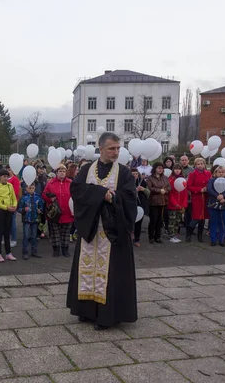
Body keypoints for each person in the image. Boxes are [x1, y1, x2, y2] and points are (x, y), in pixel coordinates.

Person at [68, 132, 137, 330]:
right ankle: (87, 310)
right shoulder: (87, 169)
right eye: (111, 148)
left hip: (113, 232)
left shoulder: (123, 172)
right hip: (91, 229)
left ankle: (108, 316)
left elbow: (130, 197)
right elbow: (77, 189)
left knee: (111, 273)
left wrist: (114, 198)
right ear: (101, 149)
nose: (116, 152)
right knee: (87, 270)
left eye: (118, 148)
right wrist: (100, 193)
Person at [0, 169, 18, 262]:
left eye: (7, 177)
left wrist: (14, 205)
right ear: (0, 177)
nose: (6, 178)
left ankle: (8, 253)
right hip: (1, 211)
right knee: (0, 232)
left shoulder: (10, 185)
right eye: (4, 176)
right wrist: (5, 207)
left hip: (9, 211)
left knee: (7, 232)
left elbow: (14, 197)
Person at [207, 166, 225, 247]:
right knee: (213, 222)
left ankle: (221, 240)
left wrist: (223, 196)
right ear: (215, 173)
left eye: (222, 172)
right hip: (213, 204)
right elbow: (209, 189)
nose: (221, 173)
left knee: (222, 223)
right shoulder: (211, 180)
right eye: (219, 172)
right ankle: (213, 239)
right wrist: (217, 196)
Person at [186, 158, 212, 243]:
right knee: (196, 218)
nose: (200, 165)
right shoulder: (192, 174)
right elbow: (189, 186)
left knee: (203, 218)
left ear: (204, 164)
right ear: (195, 165)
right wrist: (200, 189)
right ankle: (188, 234)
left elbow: (211, 184)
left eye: (201, 163)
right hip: (197, 198)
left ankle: (200, 236)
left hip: (206, 198)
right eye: (198, 164)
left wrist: (208, 189)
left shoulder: (208, 173)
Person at [18, 183, 44, 259]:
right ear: (26, 188)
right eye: (30, 188)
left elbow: (41, 206)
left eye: (33, 188)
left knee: (34, 236)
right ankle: (25, 252)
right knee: (26, 236)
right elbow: (19, 208)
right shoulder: (23, 198)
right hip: (26, 219)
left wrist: (40, 210)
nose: (31, 189)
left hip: (35, 220)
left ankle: (34, 251)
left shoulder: (38, 197)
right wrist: (23, 210)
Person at [146, 162, 170, 244]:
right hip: (154, 202)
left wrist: (165, 190)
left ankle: (158, 236)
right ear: (155, 169)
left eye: (162, 168)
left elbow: (169, 187)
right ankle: (151, 236)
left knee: (160, 221)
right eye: (159, 168)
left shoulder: (165, 178)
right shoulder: (150, 178)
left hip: (163, 202)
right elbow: (150, 188)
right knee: (153, 220)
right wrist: (159, 190)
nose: (160, 170)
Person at [167, 164, 187, 243]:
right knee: (172, 221)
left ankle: (175, 235)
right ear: (173, 170)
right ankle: (171, 236)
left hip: (181, 206)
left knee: (178, 221)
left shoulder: (183, 180)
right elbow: (170, 194)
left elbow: (185, 193)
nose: (177, 170)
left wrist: (184, 205)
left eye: (179, 169)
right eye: (175, 169)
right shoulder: (170, 180)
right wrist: (175, 203)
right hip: (173, 205)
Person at [131, 168, 149, 247]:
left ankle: (137, 239)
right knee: (130, 223)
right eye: (133, 174)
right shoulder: (126, 182)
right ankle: (129, 238)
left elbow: (148, 193)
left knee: (138, 224)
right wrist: (134, 190)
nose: (134, 175)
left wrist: (143, 189)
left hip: (140, 205)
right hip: (130, 205)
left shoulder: (142, 182)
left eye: (136, 174)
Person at [7, 165, 21, 248]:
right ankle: (7, 237)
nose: (9, 171)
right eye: (8, 169)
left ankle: (14, 239)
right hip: (5, 203)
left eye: (10, 169)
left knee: (12, 222)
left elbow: (16, 192)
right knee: (6, 221)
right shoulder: (5, 179)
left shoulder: (15, 179)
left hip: (12, 202)